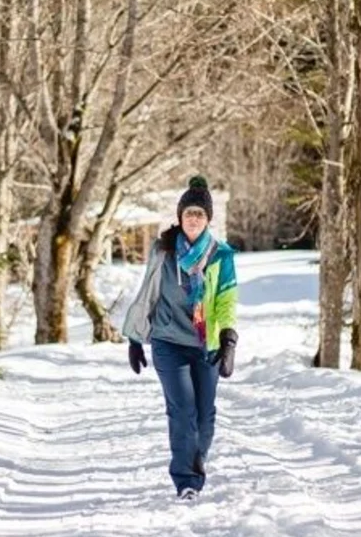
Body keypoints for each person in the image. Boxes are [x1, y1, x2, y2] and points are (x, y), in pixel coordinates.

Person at [120, 176, 239, 501]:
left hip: (206, 345)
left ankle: (195, 457)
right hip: (168, 343)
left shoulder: (221, 256)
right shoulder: (163, 250)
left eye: (200, 214)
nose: (194, 218)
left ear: (208, 219)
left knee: (205, 417)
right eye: (189, 213)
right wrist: (135, 338)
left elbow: (227, 300)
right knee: (183, 411)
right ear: (180, 216)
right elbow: (147, 294)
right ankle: (187, 480)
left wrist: (228, 340)